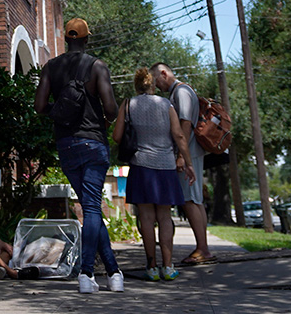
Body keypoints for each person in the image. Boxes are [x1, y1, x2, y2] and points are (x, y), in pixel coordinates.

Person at [34, 17, 125, 293]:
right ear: (85, 40)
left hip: (66, 145)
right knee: (93, 208)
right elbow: (110, 109)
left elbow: (39, 105)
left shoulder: (51, 67)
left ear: (66, 40)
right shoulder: (96, 66)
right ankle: (86, 274)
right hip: (93, 143)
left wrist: (59, 111)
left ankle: (114, 272)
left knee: (90, 206)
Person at [112, 67, 194, 281]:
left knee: (146, 218)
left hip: (141, 166)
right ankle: (168, 267)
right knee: (165, 218)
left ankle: (151, 267)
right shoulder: (167, 105)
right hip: (165, 167)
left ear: (136, 85)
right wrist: (188, 162)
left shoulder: (128, 104)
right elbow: (178, 135)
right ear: (154, 85)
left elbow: (117, 136)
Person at [150, 62, 213, 265]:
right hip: (190, 154)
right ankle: (203, 248)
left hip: (189, 154)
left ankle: (203, 249)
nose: (156, 85)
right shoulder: (179, 92)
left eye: (156, 80)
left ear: (164, 73)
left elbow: (185, 124)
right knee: (194, 199)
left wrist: (181, 156)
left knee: (190, 200)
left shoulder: (181, 92)